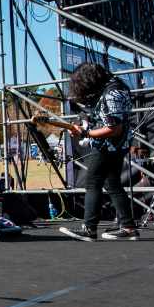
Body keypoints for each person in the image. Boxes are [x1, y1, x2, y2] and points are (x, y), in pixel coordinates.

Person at [59, 62, 140, 241]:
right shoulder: (114, 88)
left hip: (108, 145)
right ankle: (128, 227)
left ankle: (89, 228)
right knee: (113, 184)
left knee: (93, 183)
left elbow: (114, 128)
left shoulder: (112, 93)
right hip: (115, 145)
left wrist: (86, 132)